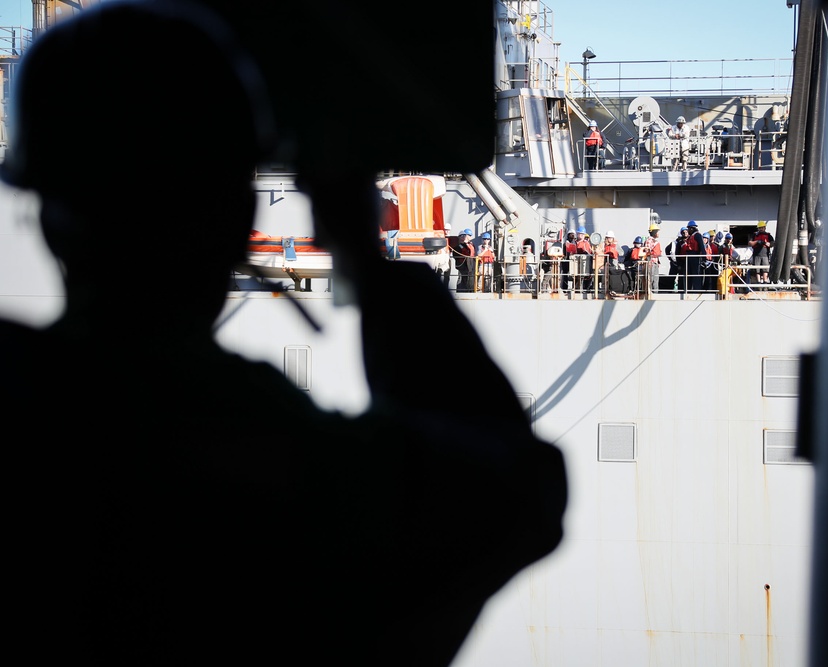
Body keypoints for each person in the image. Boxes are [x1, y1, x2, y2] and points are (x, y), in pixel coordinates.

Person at [0, 3, 567, 665]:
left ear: (48, 215)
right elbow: (510, 493)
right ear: (236, 213)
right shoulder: (262, 445)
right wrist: (369, 261)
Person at [454, 227, 477, 292]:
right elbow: (455, 255)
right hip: (462, 265)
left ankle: (470, 290)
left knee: (470, 278)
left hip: (470, 264)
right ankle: (460, 290)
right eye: (469, 235)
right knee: (461, 278)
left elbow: (472, 253)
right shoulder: (458, 246)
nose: (470, 237)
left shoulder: (471, 245)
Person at [644, 221, 663, 292]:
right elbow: (647, 251)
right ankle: (650, 292)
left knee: (655, 279)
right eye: (657, 232)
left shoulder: (654, 241)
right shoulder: (649, 240)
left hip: (655, 262)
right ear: (654, 232)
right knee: (651, 279)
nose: (658, 233)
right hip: (651, 263)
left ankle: (655, 293)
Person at [574, 227, 594, 292]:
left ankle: (585, 289)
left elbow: (589, 253)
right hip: (575, 263)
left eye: (582, 234)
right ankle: (576, 289)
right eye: (580, 234)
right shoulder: (574, 242)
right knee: (576, 277)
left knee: (585, 277)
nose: (581, 236)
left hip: (584, 264)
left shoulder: (586, 243)